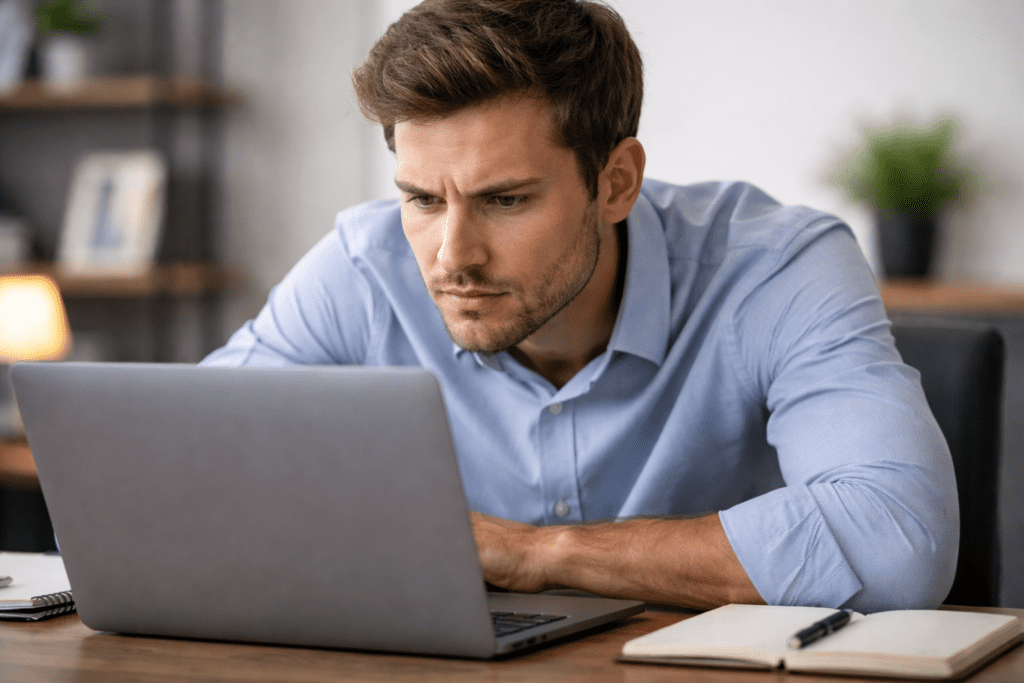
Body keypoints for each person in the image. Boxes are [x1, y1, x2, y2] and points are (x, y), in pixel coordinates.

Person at [203, 0, 957, 612]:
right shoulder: (366, 268)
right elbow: (177, 466)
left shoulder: (776, 268)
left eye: (505, 199)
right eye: (422, 198)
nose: (450, 255)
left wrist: (532, 553)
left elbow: (899, 542)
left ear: (616, 182)